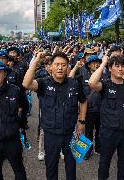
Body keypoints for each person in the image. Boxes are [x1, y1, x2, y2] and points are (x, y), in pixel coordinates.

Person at [23, 52, 87, 180]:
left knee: (71, 165)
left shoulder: (74, 83)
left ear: (68, 67)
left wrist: (81, 121)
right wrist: (36, 61)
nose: (60, 67)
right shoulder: (43, 83)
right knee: (51, 166)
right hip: (51, 134)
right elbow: (26, 84)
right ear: (50, 67)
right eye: (57, 64)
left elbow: (84, 101)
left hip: (70, 133)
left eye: (64, 65)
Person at [88, 55, 124, 180]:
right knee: (104, 162)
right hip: (108, 132)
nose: (120, 69)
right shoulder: (105, 85)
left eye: (122, 66)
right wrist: (103, 63)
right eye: (117, 66)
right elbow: (91, 83)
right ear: (110, 68)